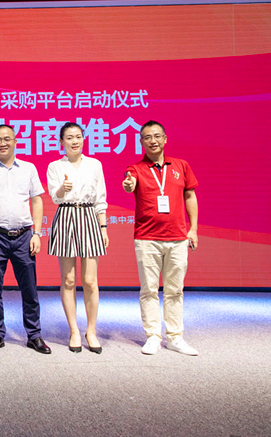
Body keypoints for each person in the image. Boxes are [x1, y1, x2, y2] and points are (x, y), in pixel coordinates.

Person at [123, 120, 200, 356]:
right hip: (147, 238)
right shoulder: (135, 169)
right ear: (141, 142)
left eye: (157, 136)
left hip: (177, 238)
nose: (153, 141)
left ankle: (175, 337)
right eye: (147, 137)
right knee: (149, 290)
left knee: (175, 290)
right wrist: (128, 185)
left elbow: (190, 196)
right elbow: (128, 184)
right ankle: (153, 337)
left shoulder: (181, 166)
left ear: (165, 139)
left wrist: (193, 229)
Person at [0, 124, 50, 354]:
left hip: (24, 235)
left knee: (29, 288)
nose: (2, 143)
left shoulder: (28, 168)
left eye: (7, 139)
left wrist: (37, 233)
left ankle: (34, 335)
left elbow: (37, 200)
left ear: (15, 141)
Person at [46, 122, 108, 354]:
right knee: (69, 279)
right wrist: (63, 188)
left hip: (89, 216)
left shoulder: (95, 164)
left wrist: (103, 227)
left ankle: (91, 331)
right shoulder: (55, 166)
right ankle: (74, 330)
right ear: (61, 141)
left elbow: (100, 198)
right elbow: (55, 197)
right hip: (66, 216)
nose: (75, 141)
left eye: (78, 136)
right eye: (70, 137)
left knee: (90, 280)